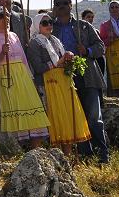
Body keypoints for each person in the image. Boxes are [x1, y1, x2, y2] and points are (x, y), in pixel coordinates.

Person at [52, 0, 109, 163]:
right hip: (64, 77)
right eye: (58, 3)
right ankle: (85, 155)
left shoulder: (83, 26)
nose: (61, 6)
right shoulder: (50, 28)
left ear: (71, 5)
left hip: (87, 74)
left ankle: (102, 155)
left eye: (65, 3)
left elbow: (101, 46)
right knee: (76, 116)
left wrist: (87, 51)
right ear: (54, 6)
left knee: (93, 116)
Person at [0, 7, 50, 149]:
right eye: (1, 16)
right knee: (12, 111)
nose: (6, 18)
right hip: (6, 79)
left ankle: (35, 149)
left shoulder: (13, 36)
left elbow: (24, 59)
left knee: (32, 110)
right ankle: (14, 149)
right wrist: (1, 54)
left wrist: (30, 79)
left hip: (23, 79)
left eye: (7, 15)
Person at [27, 13, 91, 156]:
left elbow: (61, 62)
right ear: (37, 26)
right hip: (48, 86)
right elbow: (38, 67)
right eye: (44, 23)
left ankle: (67, 156)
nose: (49, 25)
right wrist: (58, 62)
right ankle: (51, 157)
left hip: (63, 83)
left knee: (66, 118)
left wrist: (69, 59)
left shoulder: (55, 40)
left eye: (50, 22)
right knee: (55, 119)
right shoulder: (34, 43)